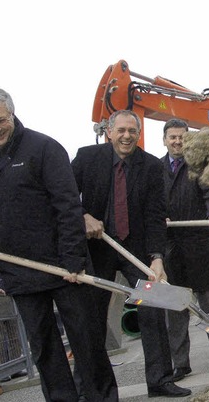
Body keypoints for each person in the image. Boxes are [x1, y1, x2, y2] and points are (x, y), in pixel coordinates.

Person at [0, 87, 118, 401]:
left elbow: (67, 205)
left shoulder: (43, 148)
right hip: (18, 268)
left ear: (11, 113)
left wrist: (73, 261)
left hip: (63, 266)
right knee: (44, 345)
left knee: (86, 341)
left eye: (0, 120)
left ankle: (102, 397)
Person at [71, 110, 190, 398]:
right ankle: (89, 387)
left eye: (131, 131)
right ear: (109, 132)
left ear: (138, 134)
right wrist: (83, 215)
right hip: (97, 248)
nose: (126, 136)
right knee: (92, 319)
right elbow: (64, 197)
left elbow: (155, 215)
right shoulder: (87, 158)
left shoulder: (149, 166)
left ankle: (160, 380)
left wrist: (157, 256)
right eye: (121, 130)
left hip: (136, 248)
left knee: (153, 310)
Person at [160, 118, 209, 379]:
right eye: (172, 137)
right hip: (173, 247)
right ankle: (180, 364)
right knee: (176, 310)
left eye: (181, 136)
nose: (177, 141)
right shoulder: (156, 168)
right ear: (164, 140)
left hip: (202, 245)